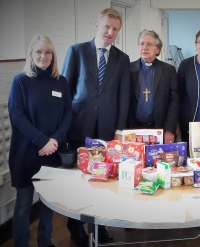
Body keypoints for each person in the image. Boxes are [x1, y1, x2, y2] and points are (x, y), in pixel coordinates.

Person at [61, 8, 131, 246]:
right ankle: (75, 224)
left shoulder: (122, 59)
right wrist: (63, 128)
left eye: (115, 29)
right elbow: (65, 92)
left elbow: (123, 97)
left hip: (106, 132)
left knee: (103, 181)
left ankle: (99, 226)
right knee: (80, 181)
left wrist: (119, 131)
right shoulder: (77, 51)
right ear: (97, 25)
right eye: (106, 27)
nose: (110, 32)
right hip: (78, 128)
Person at [8, 35, 72, 247]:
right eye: (38, 52)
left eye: (48, 52)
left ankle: (45, 241)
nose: (43, 56)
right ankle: (21, 243)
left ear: (53, 56)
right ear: (31, 55)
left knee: (47, 203)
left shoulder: (60, 82)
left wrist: (55, 139)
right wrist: (42, 141)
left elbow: (67, 114)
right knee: (24, 204)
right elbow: (17, 116)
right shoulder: (20, 81)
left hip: (52, 154)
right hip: (25, 154)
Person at [128, 29, 179, 143]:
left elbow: (174, 101)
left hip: (160, 128)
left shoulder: (169, 70)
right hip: (133, 128)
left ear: (158, 49)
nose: (144, 47)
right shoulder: (128, 69)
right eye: (141, 44)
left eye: (149, 44)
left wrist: (169, 129)